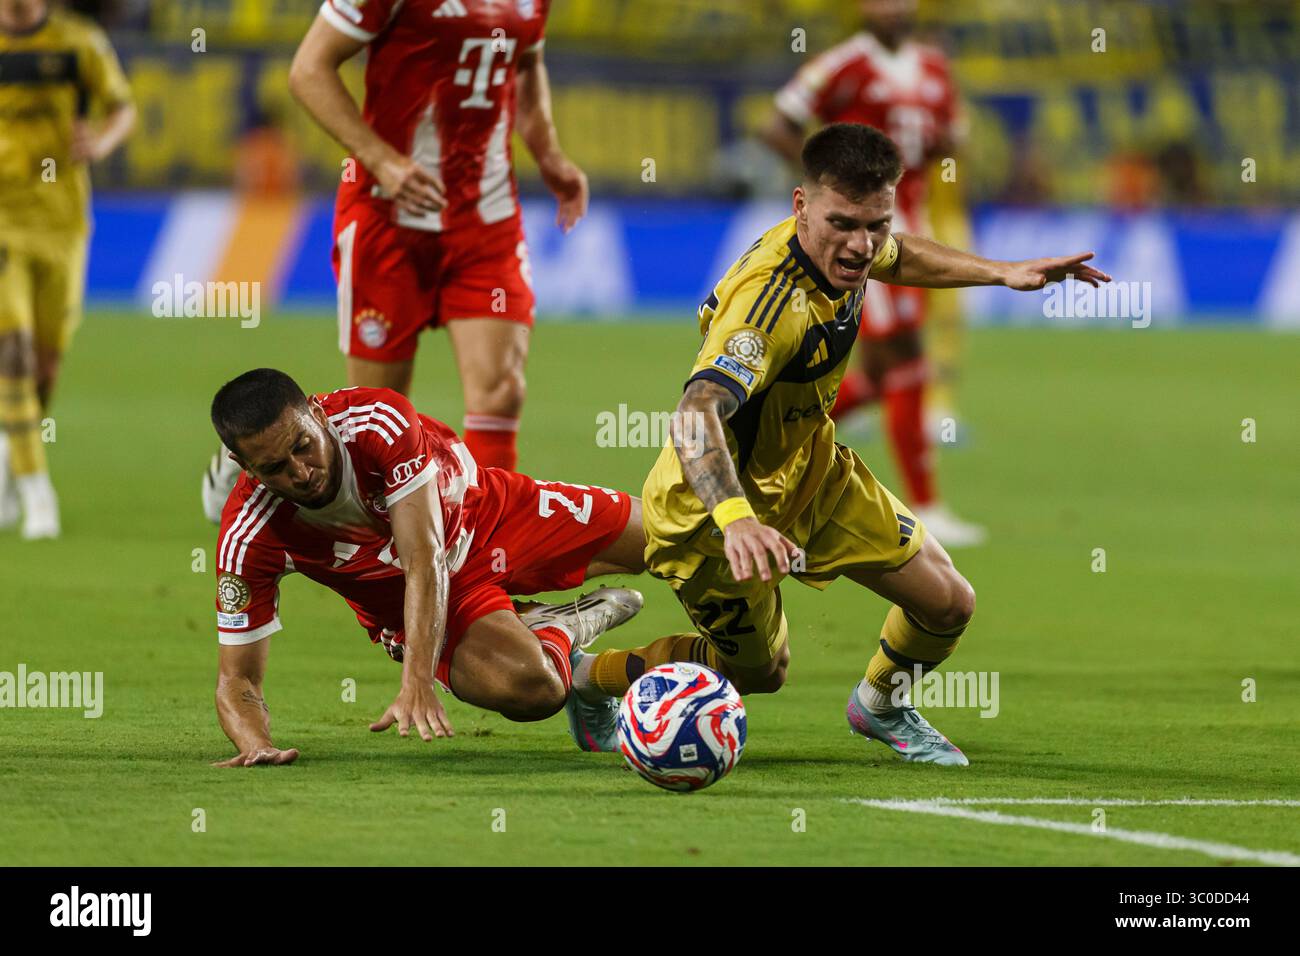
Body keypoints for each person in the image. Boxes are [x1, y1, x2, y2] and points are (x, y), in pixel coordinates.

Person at [570, 124, 1109, 766]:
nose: (861, 246)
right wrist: (738, 521)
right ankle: (588, 676)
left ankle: (881, 703)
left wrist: (1002, 272)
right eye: (844, 224)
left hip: (813, 474)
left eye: (874, 223)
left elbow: (901, 255)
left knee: (947, 602)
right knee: (758, 673)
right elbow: (694, 415)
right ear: (800, 205)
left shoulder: (851, 244)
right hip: (712, 515)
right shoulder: (769, 306)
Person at [201, 0, 588, 523]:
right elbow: (308, 69)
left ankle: (487, 551)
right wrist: (383, 159)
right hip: (389, 218)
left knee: (500, 393)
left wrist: (550, 154)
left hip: (485, 217)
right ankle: (261, 450)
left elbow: (524, 63)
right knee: (380, 411)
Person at [208, 369, 643, 767]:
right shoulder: (251, 535)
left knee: (670, 536)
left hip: (490, 515)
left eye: (303, 446)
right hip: (424, 607)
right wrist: (255, 744)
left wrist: (417, 680)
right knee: (535, 689)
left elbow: (423, 554)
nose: (301, 473)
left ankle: (549, 634)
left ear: (318, 415)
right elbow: (237, 678)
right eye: (274, 469)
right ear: (242, 466)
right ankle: (558, 629)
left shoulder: (378, 420)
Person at [759, 0, 983, 546]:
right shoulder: (843, 64)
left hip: (914, 222)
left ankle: (767, 433)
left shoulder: (933, 67)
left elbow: (954, 138)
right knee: (907, 358)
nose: (893, 8)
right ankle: (925, 507)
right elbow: (777, 123)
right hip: (868, 232)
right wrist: (830, 187)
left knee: (888, 374)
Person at [0, 0, 134, 538]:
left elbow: (122, 106)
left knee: (45, 369)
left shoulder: (78, 42)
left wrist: (100, 140)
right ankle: (38, 495)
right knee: (12, 351)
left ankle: (10, 466)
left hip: (63, 225)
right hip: (4, 221)